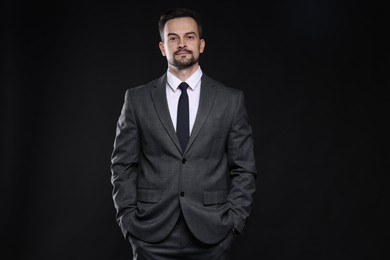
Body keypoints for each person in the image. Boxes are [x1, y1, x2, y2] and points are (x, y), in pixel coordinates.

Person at [110, 7, 258, 259]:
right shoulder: (136, 99)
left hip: (212, 233)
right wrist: (128, 221)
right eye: (173, 38)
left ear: (201, 45)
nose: (181, 44)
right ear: (162, 47)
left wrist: (234, 220)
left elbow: (244, 168)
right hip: (151, 234)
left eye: (189, 37)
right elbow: (122, 164)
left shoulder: (230, 100)